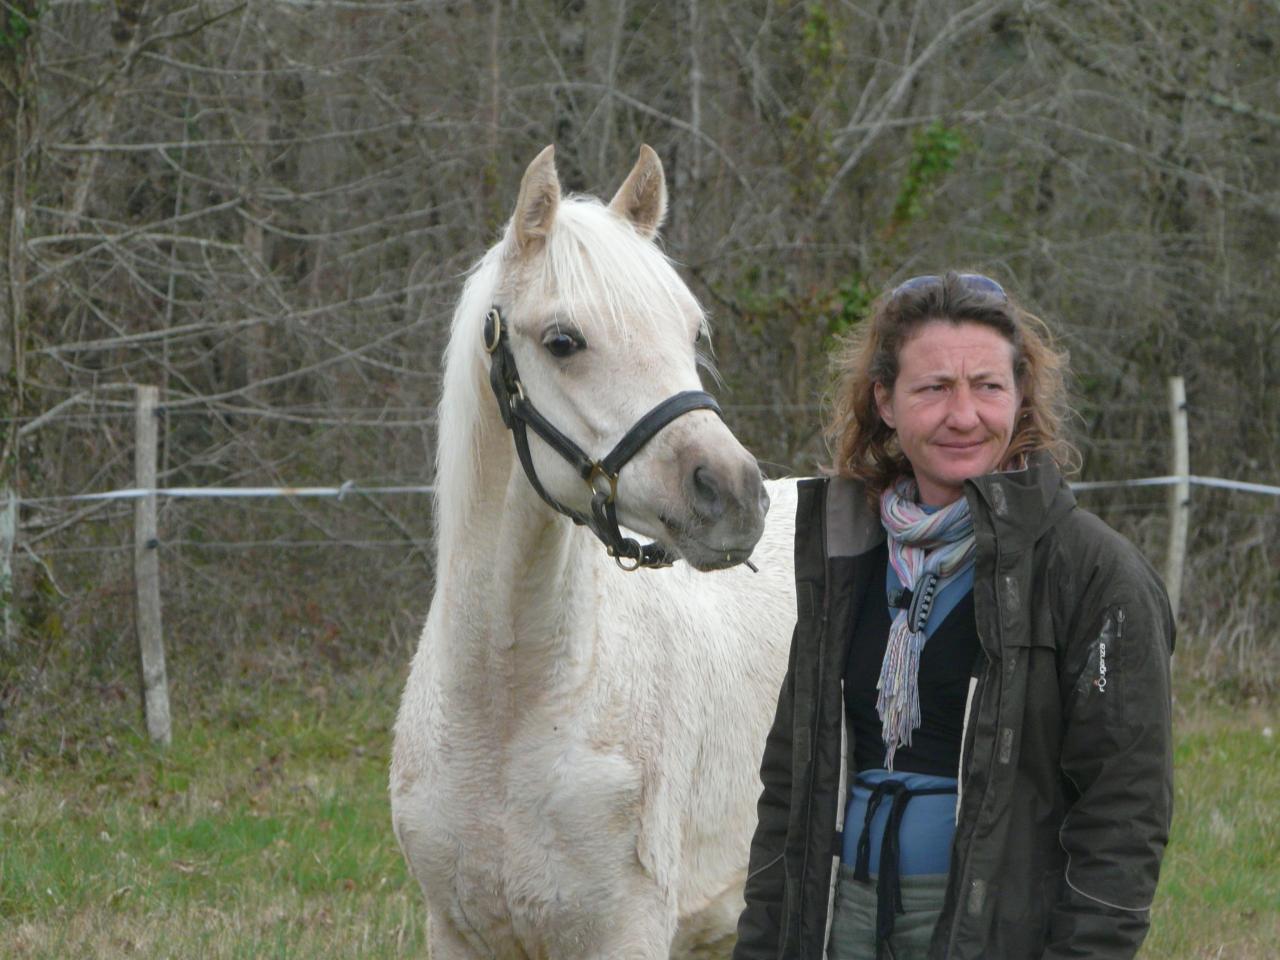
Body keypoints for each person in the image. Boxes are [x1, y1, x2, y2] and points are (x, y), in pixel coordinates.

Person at [732, 272, 1174, 960]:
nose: (963, 415)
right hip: (839, 917)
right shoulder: (846, 557)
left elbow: (1124, 815)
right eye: (934, 387)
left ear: (1020, 396)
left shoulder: (1092, 573)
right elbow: (791, 787)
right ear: (885, 401)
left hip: (990, 930)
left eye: (988, 386)